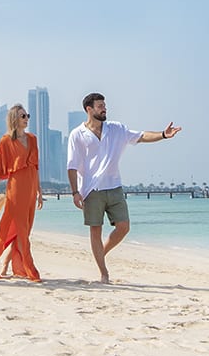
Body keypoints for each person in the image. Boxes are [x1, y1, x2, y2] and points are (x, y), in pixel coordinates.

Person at [66, 92, 181, 283]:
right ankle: (104, 273)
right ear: (89, 109)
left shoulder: (116, 129)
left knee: (123, 227)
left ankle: (100, 253)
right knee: (95, 230)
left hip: (114, 186)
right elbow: (71, 165)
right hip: (90, 190)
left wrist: (163, 135)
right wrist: (75, 192)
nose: (104, 108)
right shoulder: (77, 134)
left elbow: (141, 136)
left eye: (105, 105)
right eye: (100, 105)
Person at [0, 104, 43, 281]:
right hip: (16, 190)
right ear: (14, 119)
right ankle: (28, 269)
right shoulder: (6, 141)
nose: (26, 118)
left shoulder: (33, 139)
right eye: (22, 116)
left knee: (23, 230)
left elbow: (36, 168)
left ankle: (9, 265)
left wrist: (39, 192)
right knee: (8, 229)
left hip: (30, 190)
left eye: (27, 115)